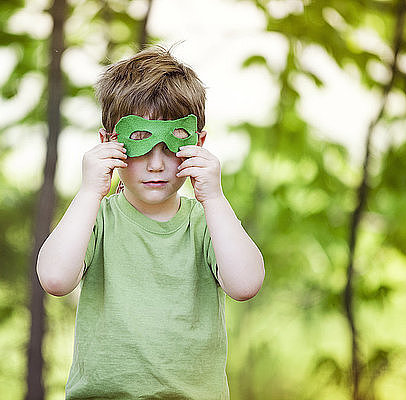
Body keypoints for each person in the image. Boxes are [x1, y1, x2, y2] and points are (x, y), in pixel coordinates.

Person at [36, 45, 265, 399]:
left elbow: (246, 284)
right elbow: (54, 279)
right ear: (108, 144)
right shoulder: (95, 219)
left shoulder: (206, 223)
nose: (156, 165)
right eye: (140, 142)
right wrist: (88, 193)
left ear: (198, 144)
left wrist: (215, 198)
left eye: (172, 145)